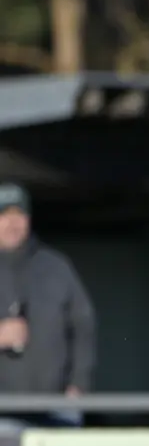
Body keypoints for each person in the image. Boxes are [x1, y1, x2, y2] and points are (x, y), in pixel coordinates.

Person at [0, 182, 96, 428]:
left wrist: (79, 385)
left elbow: (83, 326)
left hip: (57, 408)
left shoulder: (56, 267)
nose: (12, 224)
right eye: (4, 216)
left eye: (19, 215)